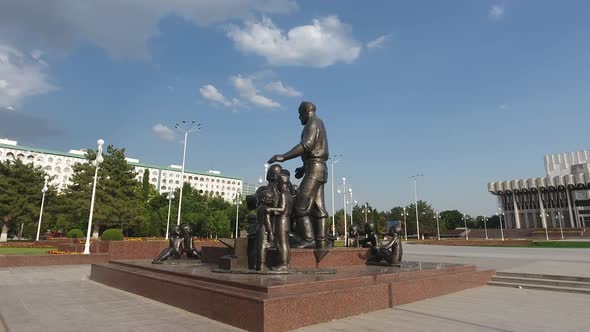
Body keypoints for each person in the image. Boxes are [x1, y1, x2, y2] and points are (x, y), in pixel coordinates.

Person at [268, 101, 329, 249]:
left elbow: (306, 145)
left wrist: (283, 156)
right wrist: (303, 167)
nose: (299, 118)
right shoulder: (318, 122)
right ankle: (322, 241)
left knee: (301, 206)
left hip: (315, 168)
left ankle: (309, 239)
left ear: (305, 112)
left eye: (299, 114)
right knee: (318, 206)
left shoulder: (313, 122)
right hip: (317, 167)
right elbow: (314, 149)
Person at [265, 173, 293, 271]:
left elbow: (282, 208)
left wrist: (270, 209)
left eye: (277, 183)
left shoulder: (283, 194)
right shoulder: (289, 194)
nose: (276, 184)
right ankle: (285, 263)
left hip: (282, 221)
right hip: (287, 221)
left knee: (282, 243)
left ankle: (283, 264)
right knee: (285, 243)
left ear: (280, 183)